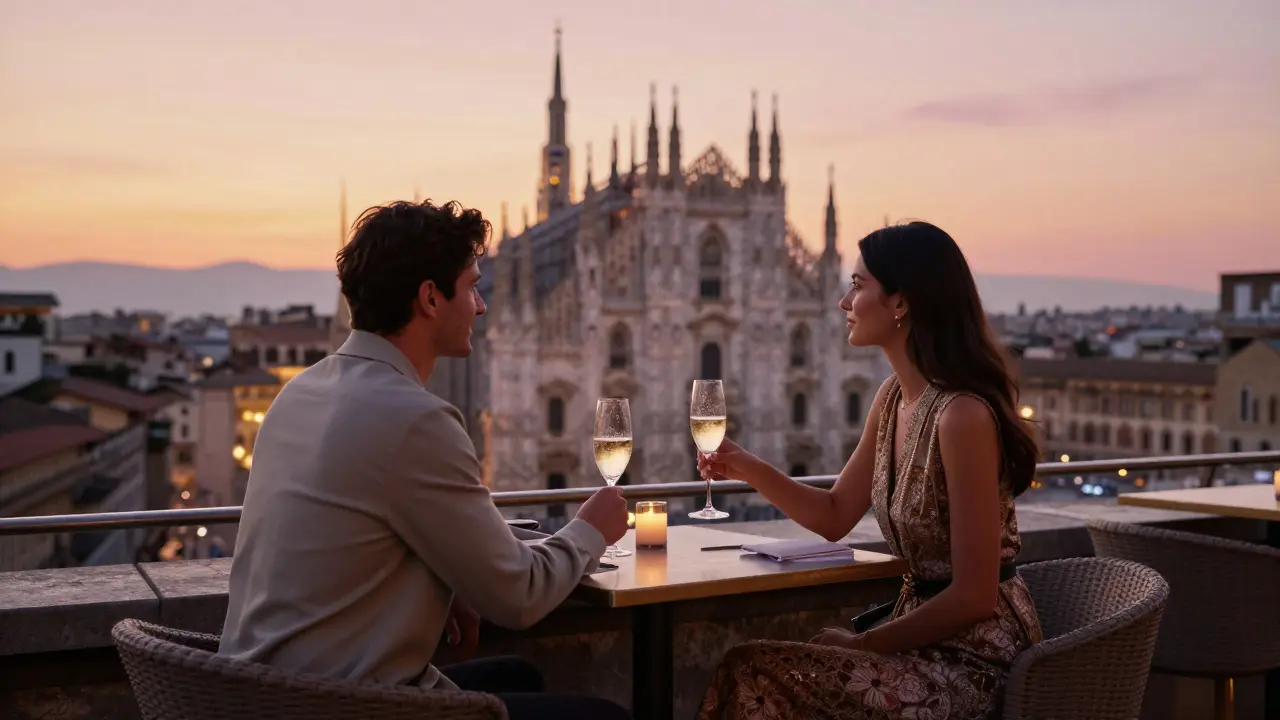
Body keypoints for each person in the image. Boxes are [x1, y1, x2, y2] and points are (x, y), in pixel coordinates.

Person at [219, 199, 632, 720]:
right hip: (342, 704)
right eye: (473, 286)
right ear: (431, 299)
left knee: (517, 676)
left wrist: (442, 581)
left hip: (256, 690)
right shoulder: (414, 418)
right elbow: (520, 596)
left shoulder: (301, 391)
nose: (481, 306)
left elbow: (358, 530)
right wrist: (590, 530)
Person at [694, 221, 1043, 719]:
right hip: (919, 642)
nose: (842, 302)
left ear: (901, 303)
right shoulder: (894, 398)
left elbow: (974, 596)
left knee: (754, 671)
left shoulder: (961, 415)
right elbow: (836, 513)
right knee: (750, 667)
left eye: (858, 286)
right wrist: (745, 465)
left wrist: (865, 646)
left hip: (976, 661)